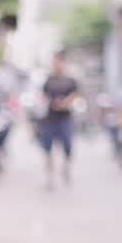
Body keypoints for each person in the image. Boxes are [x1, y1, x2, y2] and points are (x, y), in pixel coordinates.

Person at [38, 51, 80, 188]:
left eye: (59, 61)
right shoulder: (48, 80)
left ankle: (66, 167)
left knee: (68, 145)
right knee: (47, 149)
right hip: (50, 118)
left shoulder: (70, 80)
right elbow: (43, 96)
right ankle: (50, 177)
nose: (56, 64)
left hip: (65, 118)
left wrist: (66, 103)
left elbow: (76, 95)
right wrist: (51, 103)